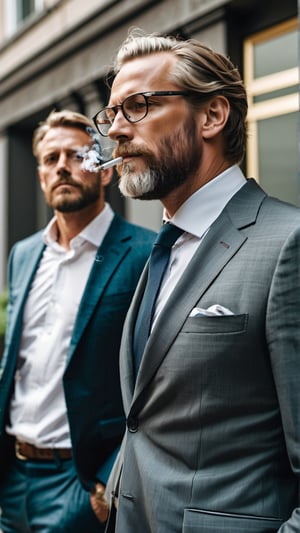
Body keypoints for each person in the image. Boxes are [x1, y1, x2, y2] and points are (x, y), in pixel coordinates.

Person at [92, 31, 300, 532]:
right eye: (113, 113)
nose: (116, 130)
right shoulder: (165, 246)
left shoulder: (288, 244)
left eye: (137, 106)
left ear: (211, 116)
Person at [0, 109, 156, 533]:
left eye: (75, 155)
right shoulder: (24, 254)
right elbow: (20, 363)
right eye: (51, 159)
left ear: (104, 172)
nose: (62, 167)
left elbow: (158, 378)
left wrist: (110, 475)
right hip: (13, 478)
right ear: (40, 176)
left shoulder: (147, 253)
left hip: (84, 483)